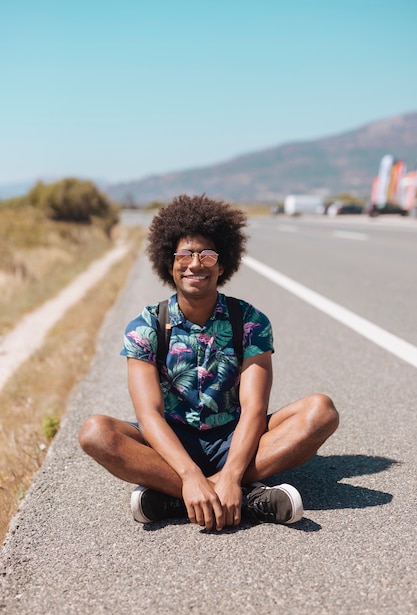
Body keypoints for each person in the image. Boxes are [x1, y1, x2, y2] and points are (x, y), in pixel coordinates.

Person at [78, 194, 339, 532]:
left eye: (207, 255)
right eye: (185, 254)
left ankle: (181, 499)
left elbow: (254, 409)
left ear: (222, 264)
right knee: (95, 433)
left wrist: (230, 474)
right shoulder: (146, 326)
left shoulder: (250, 321)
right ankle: (238, 499)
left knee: (321, 411)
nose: (195, 264)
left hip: (236, 436)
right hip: (172, 442)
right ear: (169, 263)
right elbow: (149, 414)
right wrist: (188, 476)